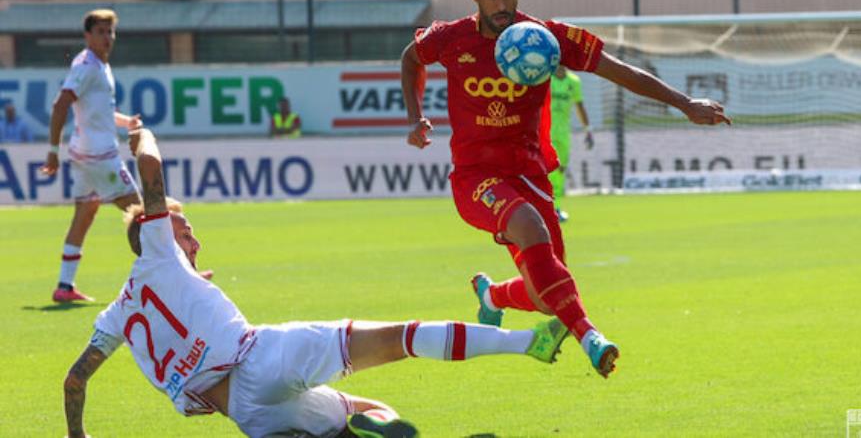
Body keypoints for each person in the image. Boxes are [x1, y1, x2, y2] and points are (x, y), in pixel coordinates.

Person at [62, 127, 571, 438]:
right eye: (185, 230)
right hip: (262, 357)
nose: (193, 239)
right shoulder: (159, 252)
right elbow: (150, 170)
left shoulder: (119, 312)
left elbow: (75, 380)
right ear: (156, 234)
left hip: (245, 415)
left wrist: (77, 435)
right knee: (399, 339)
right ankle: (527, 342)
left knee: (364, 413)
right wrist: (143, 136)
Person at [400, 0, 730, 378]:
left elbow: (616, 69)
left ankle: (493, 296)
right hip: (475, 179)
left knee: (545, 295)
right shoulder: (451, 38)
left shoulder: (546, 39)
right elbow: (411, 58)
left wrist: (684, 103)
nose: (501, 5)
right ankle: (590, 336)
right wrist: (414, 116)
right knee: (530, 227)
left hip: (530, 175)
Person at [40, 9, 144, 303]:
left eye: (110, 31)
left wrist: (126, 122)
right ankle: (173, 277)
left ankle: (64, 286)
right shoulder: (87, 66)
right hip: (99, 156)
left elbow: (98, 111)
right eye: (100, 31)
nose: (107, 37)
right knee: (143, 213)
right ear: (87, 36)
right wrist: (52, 151)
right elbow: (60, 105)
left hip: (84, 153)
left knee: (84, 215)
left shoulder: (98, 65)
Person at [548, 65, 593, 222]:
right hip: (545, 132)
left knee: (560, 170)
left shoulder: (574, 81)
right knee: (545, 169)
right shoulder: (546, 79)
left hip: (563, 134)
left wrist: (588, 129)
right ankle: (545, 207)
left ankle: (555, 208)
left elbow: (579, 105)